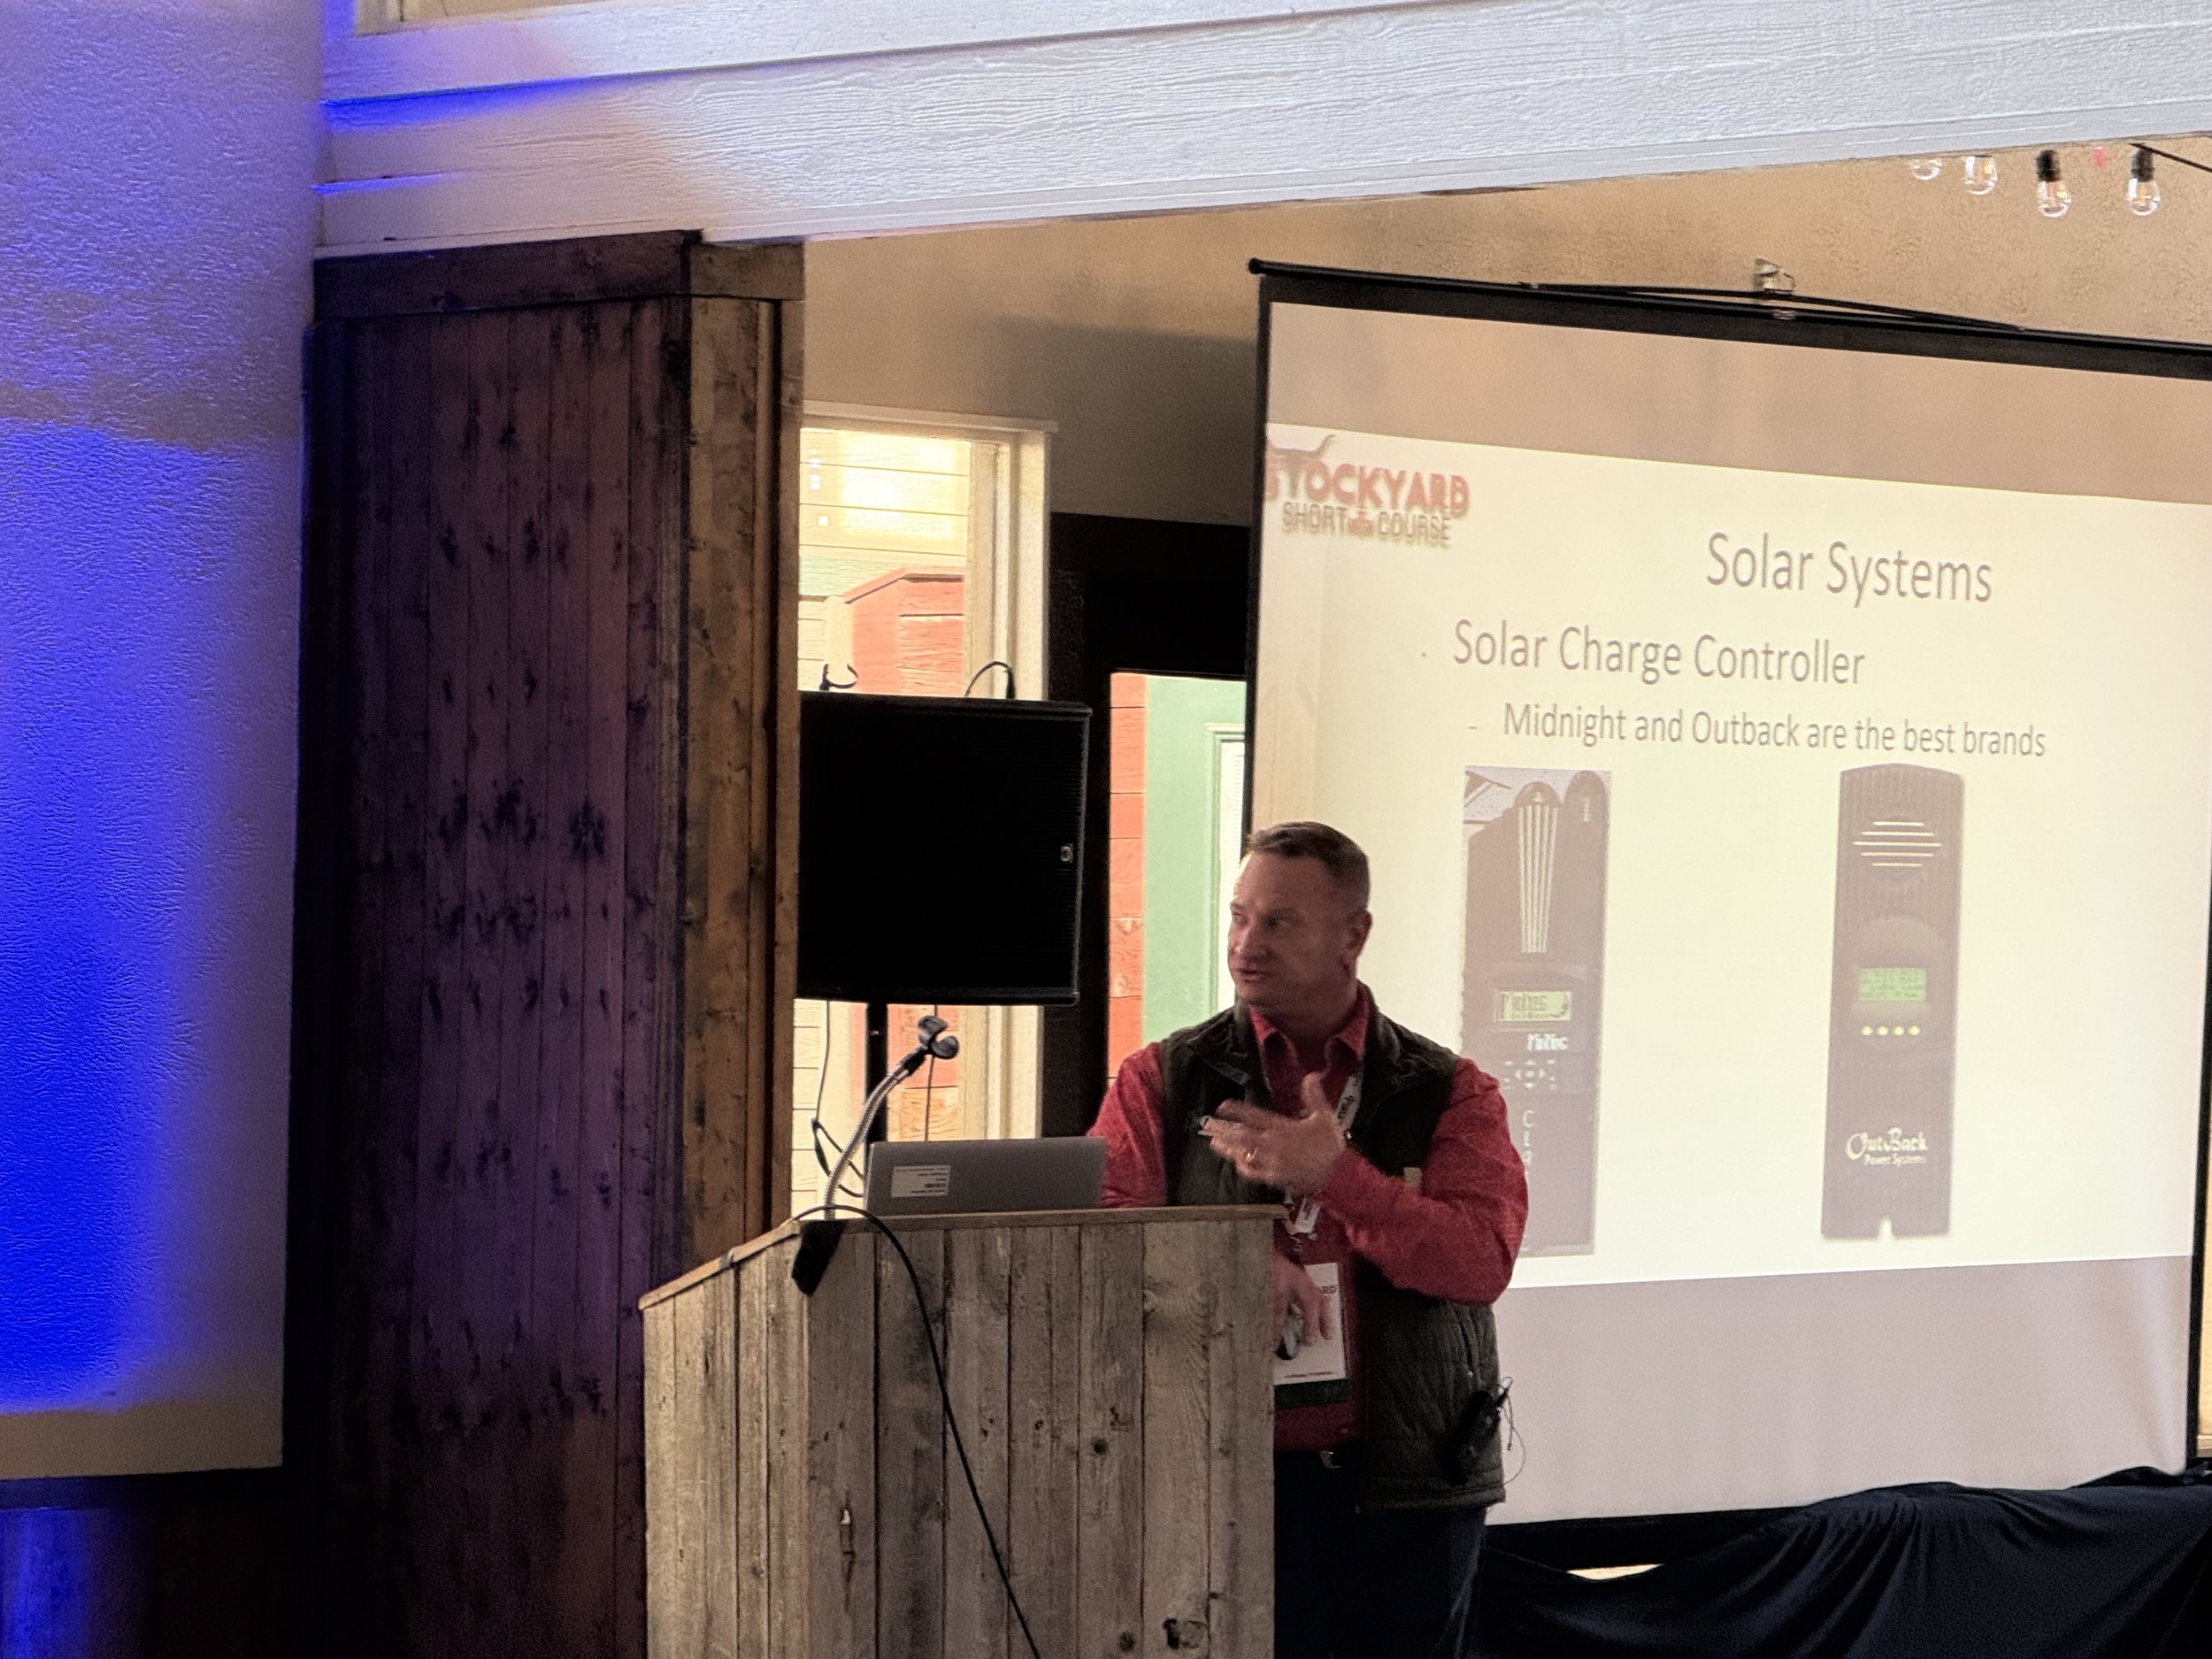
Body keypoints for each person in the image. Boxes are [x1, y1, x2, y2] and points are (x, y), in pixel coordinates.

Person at [1090, 820, 1527, 1659]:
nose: (1246, 944)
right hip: (1213, 1484)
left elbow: (1480, 1260)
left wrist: (1340, 1177)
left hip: (1403, 1499)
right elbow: (1111, 1238)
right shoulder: (1164, 1076)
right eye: (1238, 915)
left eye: (1280, 921)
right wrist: (1236, 1256)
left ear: (1352, 935)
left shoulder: (1450, 1091)